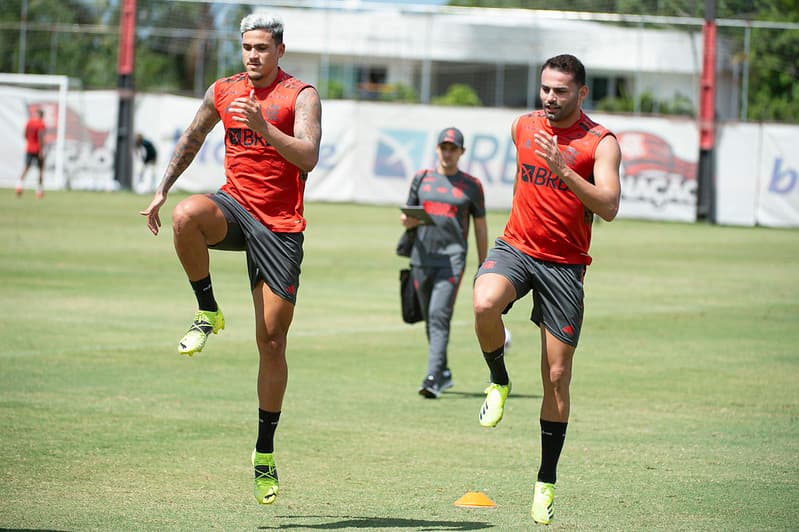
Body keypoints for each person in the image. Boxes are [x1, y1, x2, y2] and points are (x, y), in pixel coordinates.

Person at [139, 13, 322, 506]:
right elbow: (193, 137)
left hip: (281, 227)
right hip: (235, 207)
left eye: (262, 48)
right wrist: (161, 190)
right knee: (185, 217)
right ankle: (207, 308)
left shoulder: (300, 94)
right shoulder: (223, 89)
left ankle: (264, 453)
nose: (253, 56)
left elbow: (307, 156)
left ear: (280, 50)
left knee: (272, 341)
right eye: (247, 48)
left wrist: (264, 128)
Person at [472, 54, 621, 525]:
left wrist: (566, 170)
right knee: (483, 302)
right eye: (545, 89)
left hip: (565, 267)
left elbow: (610, 206)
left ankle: (545, 481)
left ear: (581, 93)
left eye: (560, 91)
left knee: (556, 377)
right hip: (516, 248)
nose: (550, 99)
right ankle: (498, 378)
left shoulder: (601, 142)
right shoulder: (523, 126)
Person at [401, 127, 488, 399]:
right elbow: (408, 216)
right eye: (444, 147)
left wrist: (485, 267)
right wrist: (408, 221)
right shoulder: (421, 179)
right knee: (431, 318)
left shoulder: (472, 185)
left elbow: (481, 227)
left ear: (461, 153)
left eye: (453, 148)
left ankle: (432, 378)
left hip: (451, 260)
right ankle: (444, 371)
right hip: (421, 258)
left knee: (439, 315)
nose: (448, 152)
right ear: (437, 149)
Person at [16, 109, 47, 198]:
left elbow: (25, 134)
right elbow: (40, 137)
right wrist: (41, 150)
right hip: (37, 149)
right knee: (40, 170)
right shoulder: (41, 124)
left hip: (29, 148)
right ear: (42, 116)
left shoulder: (29, 122)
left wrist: (30, 142)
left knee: (26, 168)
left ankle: (19, 186)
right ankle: (39, 191)